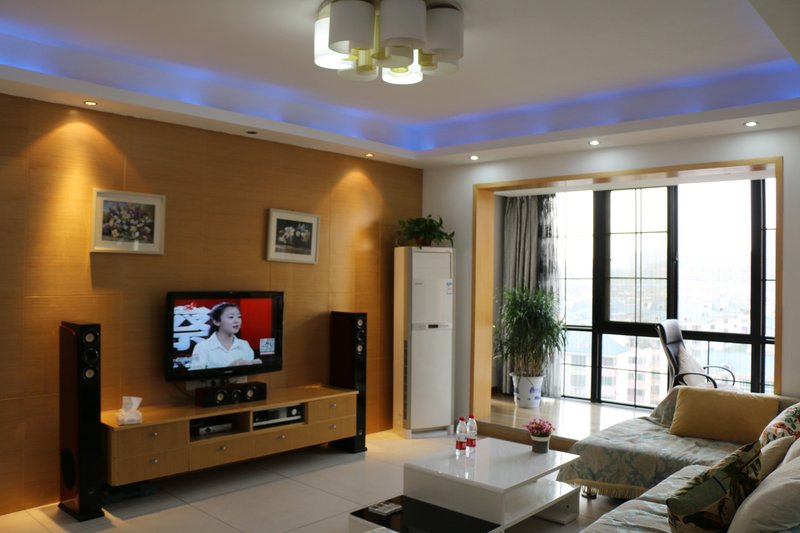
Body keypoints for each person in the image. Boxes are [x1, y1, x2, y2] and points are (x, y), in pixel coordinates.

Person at [189, 302, 260, 369]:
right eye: (231, 317)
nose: (237, 321)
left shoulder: (244, 345)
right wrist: (231, 367)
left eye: (239, 317)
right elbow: (195, 376)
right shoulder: (202, 347)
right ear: (216, 322)